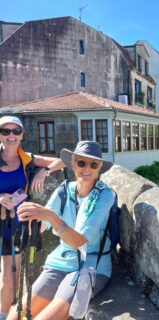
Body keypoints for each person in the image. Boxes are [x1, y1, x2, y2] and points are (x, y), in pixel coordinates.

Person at [7, 141, 114, 320]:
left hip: (89, 267)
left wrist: (49, 216)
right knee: (15, 315)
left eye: (93, 164)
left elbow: (79, 242)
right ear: (73, 164)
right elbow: (42, 225)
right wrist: (30, 222)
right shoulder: (64, 190)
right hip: (59, 263)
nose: (86, 168)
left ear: (99, 168)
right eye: (81, 163)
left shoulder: (105, 195)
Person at [0, 116, 64, 320]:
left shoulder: (26, 159)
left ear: (22, 135)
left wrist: (43, 171)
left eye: (16, 131)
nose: (11, 135)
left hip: (14, 225)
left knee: (12, 277)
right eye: (6, 131)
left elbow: (63, 160)